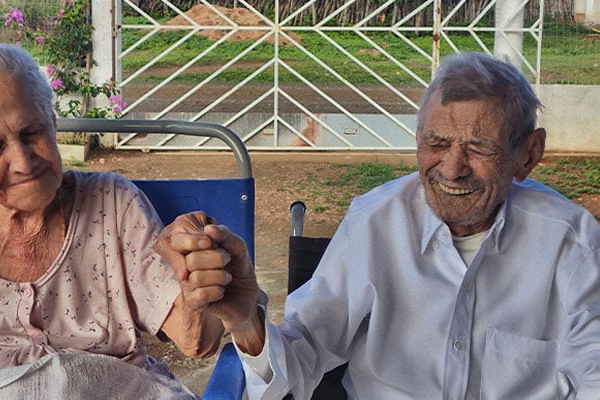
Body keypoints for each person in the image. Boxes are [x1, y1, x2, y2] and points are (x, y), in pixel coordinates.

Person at [156, 52, 600, 399]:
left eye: (479, 147)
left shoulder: (573, 244)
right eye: (437, 142)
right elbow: (301, 358)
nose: (452, 168)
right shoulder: (375, 222)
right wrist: (245, 321)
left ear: (528, 154)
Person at [0, 43, 225, 399]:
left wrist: (197, 282)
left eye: (32, 132)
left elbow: (197, 340)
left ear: (52, 121)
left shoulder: (113, 203)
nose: (24, 162)